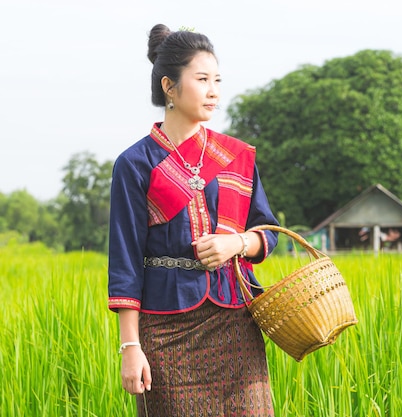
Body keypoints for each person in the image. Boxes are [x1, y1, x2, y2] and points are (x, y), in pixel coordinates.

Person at [107, 24, 279, 416]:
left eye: (217, 80)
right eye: (202, 79)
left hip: (234, 319)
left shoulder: (235, 156)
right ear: (170, 86)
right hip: (165, 330)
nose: (214, 90)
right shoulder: (135, 164)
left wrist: (237, 243)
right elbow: (125, 262)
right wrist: (131, 348)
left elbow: (267, 234)